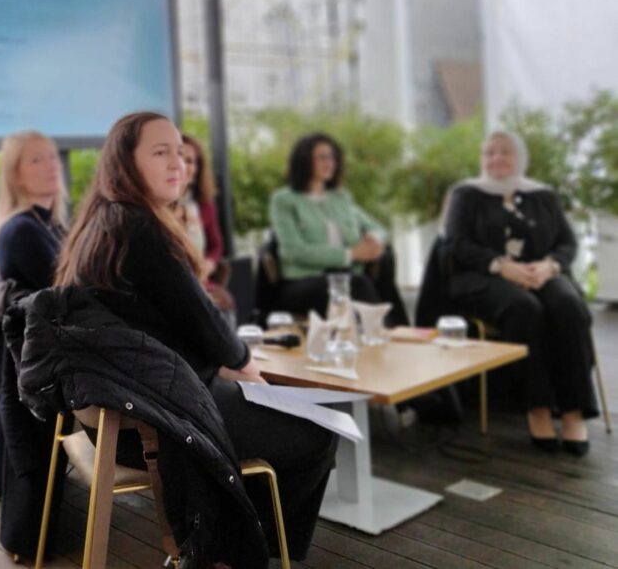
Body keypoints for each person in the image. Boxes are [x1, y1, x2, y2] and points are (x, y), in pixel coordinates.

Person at [53, 112, 337, 563]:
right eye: (160, 152)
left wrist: (235, 365)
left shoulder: (104, 221)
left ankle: (241, 539)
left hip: (115, 417)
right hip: (159, 425)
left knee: (269, 404)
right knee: (319, 429)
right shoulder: (140, 227)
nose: (178, 163)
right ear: (125, 162)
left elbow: (183, 323)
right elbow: (210, 326)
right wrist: (251, 374)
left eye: (180, 154)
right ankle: (255, 547)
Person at [443, 130, 596, 455]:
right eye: (490, 152)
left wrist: (550, 266)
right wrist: (501, 266)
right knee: (524, 307)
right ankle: (537, 406)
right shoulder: (466, 194)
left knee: (567, 304)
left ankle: (573, 411)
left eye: (505, 151)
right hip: (483, 276)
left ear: (520, 158)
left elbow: (568, 242)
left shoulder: (543, 195)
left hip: (540, 271)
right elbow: (456, 244)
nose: (496, 158)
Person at [0, 131, 69, 558]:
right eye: (36, 160)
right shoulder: (22, 229)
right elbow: (71, 293)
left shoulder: (49, 223)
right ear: (16, 175)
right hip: (39, 367)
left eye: (51, 157)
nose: (50, 165)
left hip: (39, 361)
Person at [268, 132, 409, 326]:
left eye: (333, 157)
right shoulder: (283, 200)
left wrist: (374, 239)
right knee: (357, 284)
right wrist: (351, 254)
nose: (330, 163)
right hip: (302, 282)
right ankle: (386, 332)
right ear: (304, 160)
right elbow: (294, 252)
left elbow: (378, 228)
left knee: (384, 259)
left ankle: (395, 331)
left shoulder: (340, 198)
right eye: (322, 157)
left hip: (348, 275)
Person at [176, 133, 234, 315]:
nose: (184, 166)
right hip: (175, 286)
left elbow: (216, 246)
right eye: (180, 158)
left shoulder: (204, 206)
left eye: (190, 161)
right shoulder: (157, 207)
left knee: (225, 303)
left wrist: (208, 264)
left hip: (201, 280)